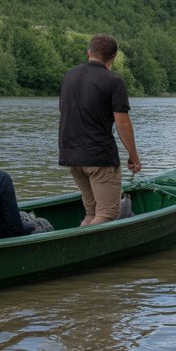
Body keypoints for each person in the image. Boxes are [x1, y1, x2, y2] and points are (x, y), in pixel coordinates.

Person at [58, 33, 141, 226]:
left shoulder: (69, 76)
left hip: (71, 155)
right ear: (113, 58)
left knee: (91, 213)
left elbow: (62, 109)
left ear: (89, 53)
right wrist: (133, 156)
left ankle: (75, 243)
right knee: (107, 214)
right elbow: (123, 123)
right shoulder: (114, 81)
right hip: (99, 158)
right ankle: (81, 251)